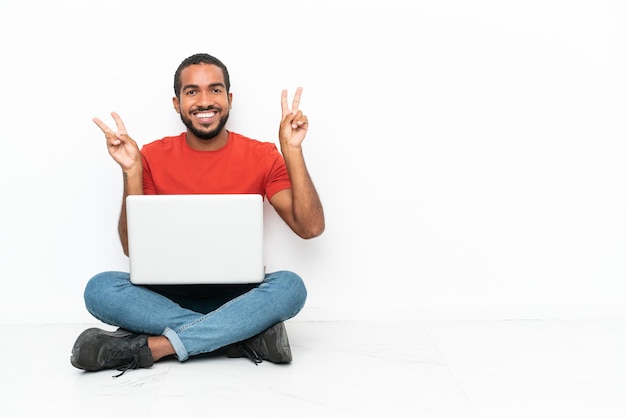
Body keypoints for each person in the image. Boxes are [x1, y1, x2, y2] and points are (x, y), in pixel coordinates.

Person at [70, 53, 325, 376]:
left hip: (239, 297)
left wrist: (292, 151)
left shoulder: (262, 155)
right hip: (164, 298)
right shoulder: (151, 155)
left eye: (215, 90)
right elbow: (132, 249)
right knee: (100, 289)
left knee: (291, 286)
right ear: (177, 103)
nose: (205, 101)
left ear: (229, 99)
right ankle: (239, 337)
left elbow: (310, 227)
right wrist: (132, 170)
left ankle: (156, 347)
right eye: (192, 92)